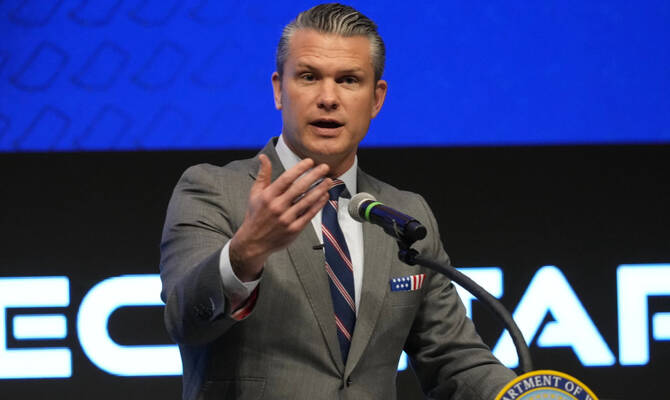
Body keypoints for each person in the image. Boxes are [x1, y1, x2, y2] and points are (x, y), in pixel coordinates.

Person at [159, 3, 515, 399]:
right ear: (279, 90)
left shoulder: (404, 215)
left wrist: (526, 394)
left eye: (348, 80)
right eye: (309, 77)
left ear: (376, 98)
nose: (328, 98)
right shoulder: (212, 191)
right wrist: (246, 252)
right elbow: (184, 320)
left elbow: (454, 358)